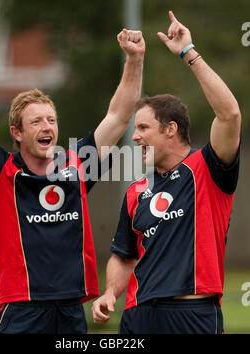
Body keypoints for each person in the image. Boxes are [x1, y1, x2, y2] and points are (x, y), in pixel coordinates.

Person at [0, 29, 145, 333]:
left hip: (69, 308)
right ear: (17, 133)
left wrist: (134, 59)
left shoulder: (76, 164)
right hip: (19, 309)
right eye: (36, 121)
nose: (47, 127)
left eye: (52, 120)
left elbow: (120, 116)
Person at [92, 11, 241, 334]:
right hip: (138, 315)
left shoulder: (208, 169)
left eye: (143, 127)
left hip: (191, 314)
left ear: (171, 129)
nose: (134, 137)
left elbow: (229, 114)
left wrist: (188, 53)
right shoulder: (136, 192)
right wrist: (110, 292)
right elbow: (122, 254)